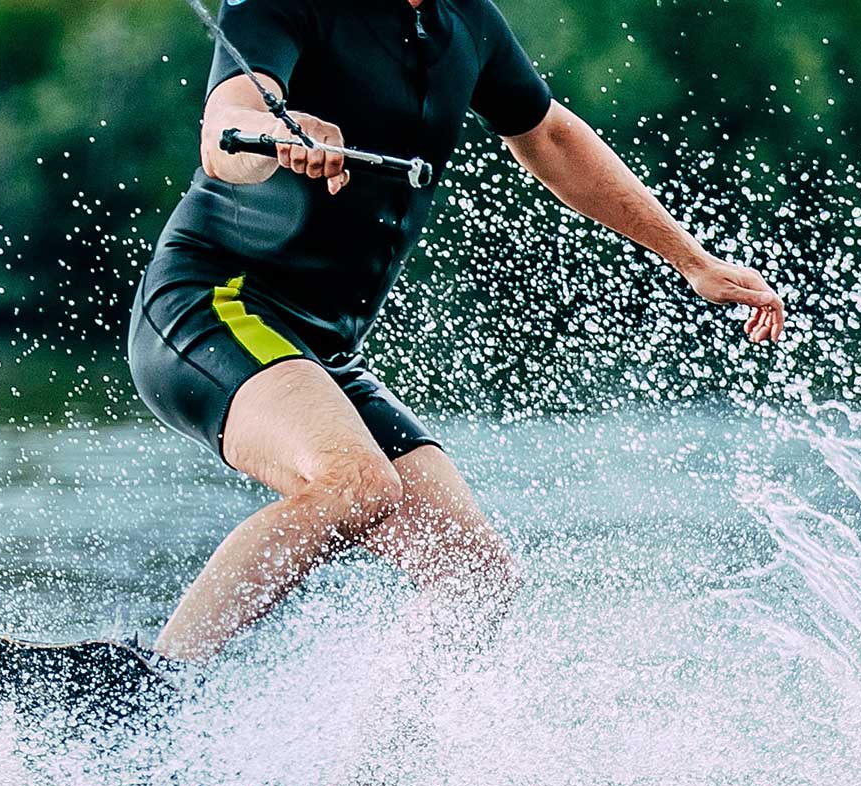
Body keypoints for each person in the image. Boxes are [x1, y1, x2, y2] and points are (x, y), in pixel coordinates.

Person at [129, 0, 785, 663]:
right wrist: (279, 134)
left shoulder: (467, 22)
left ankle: (371, 772)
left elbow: (550, 137)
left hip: (319, 351)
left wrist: (692, 260)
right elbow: (225, 132)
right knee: (355, 479)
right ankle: (147, 688)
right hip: (214, 305)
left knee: (474, 573)